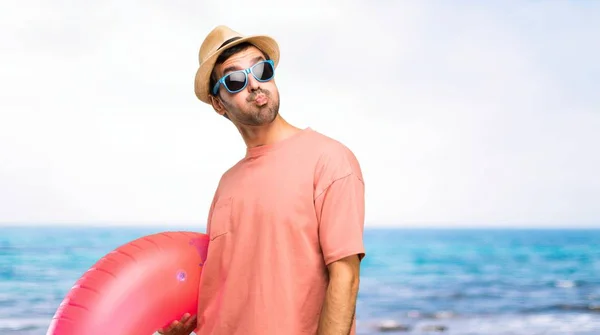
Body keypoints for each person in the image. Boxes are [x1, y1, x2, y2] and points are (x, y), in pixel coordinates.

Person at [158, 25, 366, 335]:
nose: (254, 84)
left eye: (261, 69)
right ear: (218, 104)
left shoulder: (329, 159)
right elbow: (227, 285)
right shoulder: (227, 183)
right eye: (235, 80)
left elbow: (345, 277)